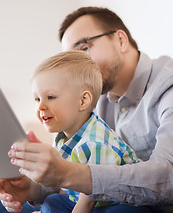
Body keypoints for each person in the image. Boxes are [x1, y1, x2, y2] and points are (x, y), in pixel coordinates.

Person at [0, 6, 173, 213]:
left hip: (153, 209)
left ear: (120, 40)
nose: (77, 63)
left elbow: (167, 180)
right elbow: (82, 168)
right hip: (101, 203)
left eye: (84, 47)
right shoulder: (95, 97)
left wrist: (66, 173)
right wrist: (34, 188)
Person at [31, 51, 139, 212]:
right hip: (91, 201)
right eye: (37, 99)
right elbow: (66, 187)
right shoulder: (61, 137)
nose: (40, 107)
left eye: (51, 97)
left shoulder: (95, 142)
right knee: (52, 201)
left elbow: (88, 200)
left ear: (83, 101)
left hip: (121, 202)